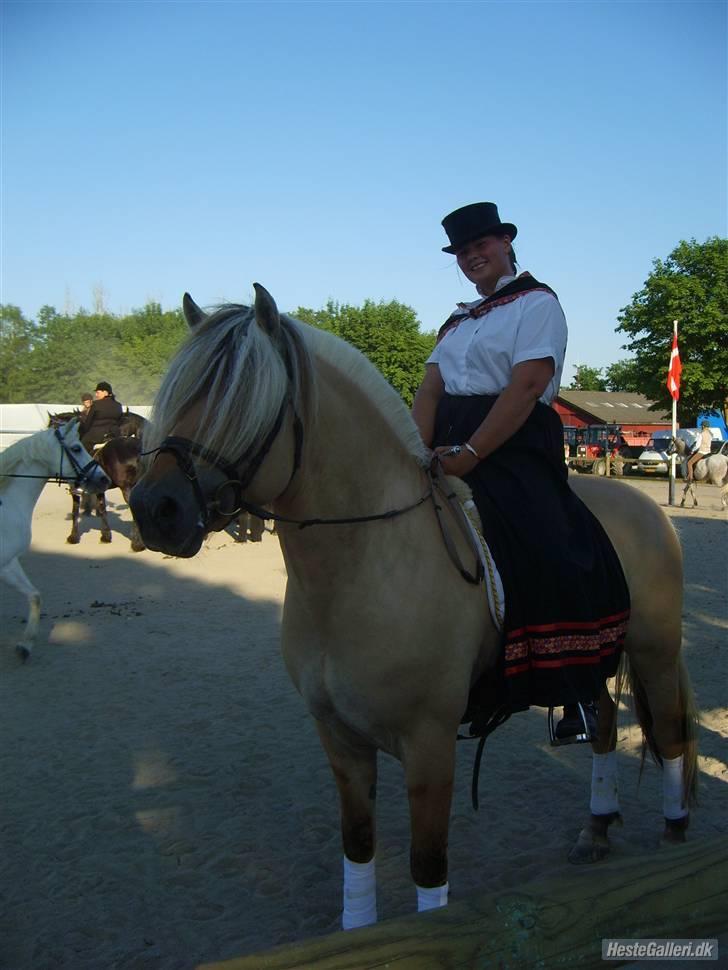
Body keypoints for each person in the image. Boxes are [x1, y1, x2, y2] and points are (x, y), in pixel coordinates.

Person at [412, 202, 630, 743]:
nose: (471, 256)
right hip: (449, 438)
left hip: (511, 443)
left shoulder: (537, 303)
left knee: (547, 541)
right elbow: (430, 391)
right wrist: (415, 451)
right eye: (462, 251)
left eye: (480, 245)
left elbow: (528, 385)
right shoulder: (456, 321)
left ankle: (577, 690)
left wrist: (471, 453)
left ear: (506, 242)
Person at [80, 381, 123, 451]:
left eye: (98, 392)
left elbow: (88, 423)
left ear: (105, 392)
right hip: (114, 436)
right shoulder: (118, 405)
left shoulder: (96, 404)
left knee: (80, 449)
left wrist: (83, 433)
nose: (96, 395)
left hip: (95, 437)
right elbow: (120, 422)